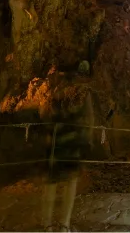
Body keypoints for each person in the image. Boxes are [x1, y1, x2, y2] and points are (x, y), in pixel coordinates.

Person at [42, 89, 94, 231]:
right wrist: (88, 137)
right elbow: (89, 117)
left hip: (60, 139)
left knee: (55, 182)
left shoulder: (59, 85)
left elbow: (46, 113)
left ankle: (50, 223)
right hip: (68, 140)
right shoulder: (82, 89)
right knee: (67, 183)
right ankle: (63, 224)